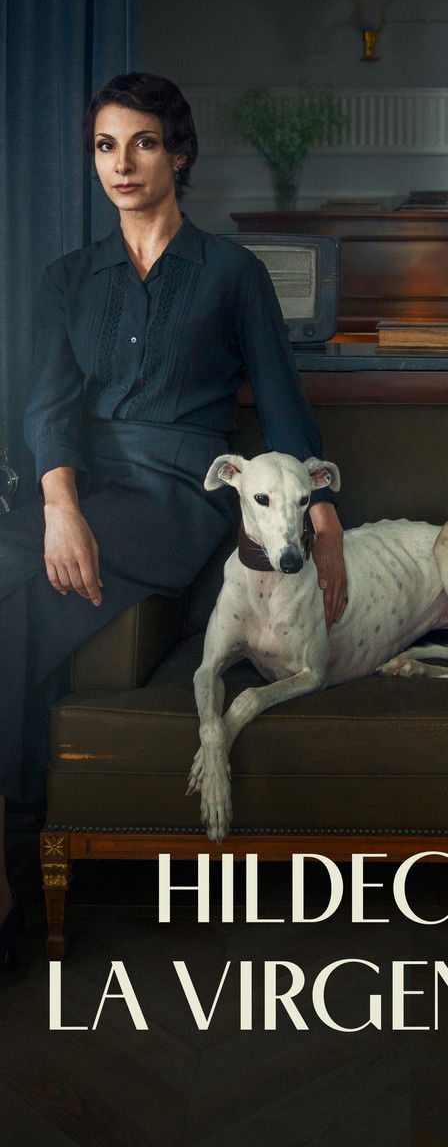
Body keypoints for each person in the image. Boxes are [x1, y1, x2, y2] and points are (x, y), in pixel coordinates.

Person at [0, 72, 347, 969]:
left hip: (176, 498)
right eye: (106, 146)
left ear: (180, 155)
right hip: (82, 487)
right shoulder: (68, 278)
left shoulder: (232, 273)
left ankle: (10, 851)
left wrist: (327, 523)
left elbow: (283, 406)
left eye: (144, 143)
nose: (122, 163)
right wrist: (59, 508)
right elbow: (49, 408)